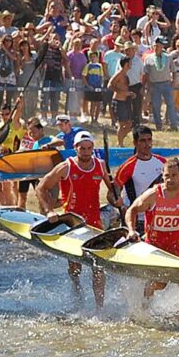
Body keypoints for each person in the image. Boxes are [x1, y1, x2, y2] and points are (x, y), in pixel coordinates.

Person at [37, 131, 115, 309]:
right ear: (75, 148)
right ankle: (77, 292)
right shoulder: (66, 166)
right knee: (76, 267)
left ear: (93, 148)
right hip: (72, 223)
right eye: (82, 149)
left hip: (94, 222)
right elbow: (42, 187)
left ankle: (99, 308)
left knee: (98, 266)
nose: (86, 152)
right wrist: (49, 211)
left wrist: (114, 198)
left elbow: (111, 190)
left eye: (89, 148)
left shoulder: (101, 165)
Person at [123, 157, 179, 316]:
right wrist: (131, 230)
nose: (170, 179)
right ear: (162, 176)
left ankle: (178, 320)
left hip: (175, 247)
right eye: (167, 176)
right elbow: (132, 210)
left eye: (174, 175)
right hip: (153, 246)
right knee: (160, 284)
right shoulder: (153, 194)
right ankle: (145, 311)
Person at [113, 125, 167, 224]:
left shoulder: (163, 162)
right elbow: (112, 192)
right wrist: (116, 201)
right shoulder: (127, 166)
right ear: (135, 143)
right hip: (136, 220)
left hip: (159, 218)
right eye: (143, 141)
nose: (147, 144)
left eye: (149, 140)